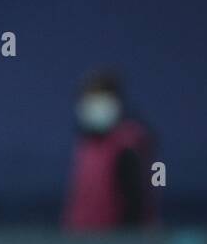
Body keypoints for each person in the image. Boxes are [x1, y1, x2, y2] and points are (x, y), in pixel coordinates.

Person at [62, 68, 158, 231]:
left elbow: (137, 201)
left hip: (115, 242)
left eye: (101, 100)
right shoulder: (86, 144)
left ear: (116, 102)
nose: (94, 107)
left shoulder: (129, 144)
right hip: (81, 240)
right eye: (89, 99)